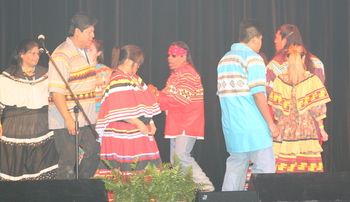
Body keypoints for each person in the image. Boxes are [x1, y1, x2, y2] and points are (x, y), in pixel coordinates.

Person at [217, 20, 278, 191]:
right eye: (261, 40)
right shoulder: (253, 58)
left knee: (235, 170)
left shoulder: (224, 60)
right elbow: (258, 93)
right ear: (256, 39)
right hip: (254, 126)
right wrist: (271, 123)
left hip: (232, 127)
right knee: (265, 171)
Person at [148, 41, 215, 192]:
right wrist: (153, 95)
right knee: (176, 162)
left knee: (181, 157)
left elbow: (180, 100)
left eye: (173, 55)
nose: (169, 58)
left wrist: (156, 94)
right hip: (177, 123)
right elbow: (164, 100)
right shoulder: (175, 76)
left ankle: (206, 188)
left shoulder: (188, 73)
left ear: (183, 56)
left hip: (186, 123)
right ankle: (180, 194)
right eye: (168, 55)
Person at [95, 45, 161, 175]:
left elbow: (145, 102)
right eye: (137, 64)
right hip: (122, 133)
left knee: (144, 174)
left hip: (137, 131)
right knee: (126, 175)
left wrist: (151, 122)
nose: (138, 67)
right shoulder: (117, 78)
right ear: (128, 62)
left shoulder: (135, 79)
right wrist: (138, 123)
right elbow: (118, 110)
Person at [48, 13, 100, 179]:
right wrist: (69, 119)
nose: (93, 35)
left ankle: (80, 190)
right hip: (66, 119)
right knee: (68, 162)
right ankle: (64, 195)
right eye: (89, 32)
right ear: (77, 32)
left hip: (85, 118)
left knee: (93, 152)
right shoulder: (61, 54)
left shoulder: (85, 52)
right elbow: (56, 93)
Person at [0, 39, 58, 180]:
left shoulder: (45, 73)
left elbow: (54, 99)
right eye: (32, 53)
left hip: (41, 125)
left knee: (40, 165)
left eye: (38, 53)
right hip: (16, 126)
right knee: (17, 165)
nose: (36, 56)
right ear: (21, 54)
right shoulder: (8, 76)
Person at [268, 44, 331, 173]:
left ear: (287, 60)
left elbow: (276, 111)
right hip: (306, 130)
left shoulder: (279, 81)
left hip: (284, 131)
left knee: (284, 171)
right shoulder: (312, 80)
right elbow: (318, 110)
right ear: (303, 59)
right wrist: (322, 130)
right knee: (308, 172)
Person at [267, 24, 325, 94]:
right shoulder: (317, 63)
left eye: (277, 38)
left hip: (285, 103)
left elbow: (268, 90)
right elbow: (319, 92)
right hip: (311, 103)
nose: (275, 41)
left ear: (285, 40)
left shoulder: (275, 65)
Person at [87, 39, 112, 113]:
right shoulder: (80, 70)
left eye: (90, 50)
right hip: (86, 112)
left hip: (102, 112)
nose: (87, 53)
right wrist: (103, 80)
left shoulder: (106, 70)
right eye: (86, 50)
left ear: (98, 53)